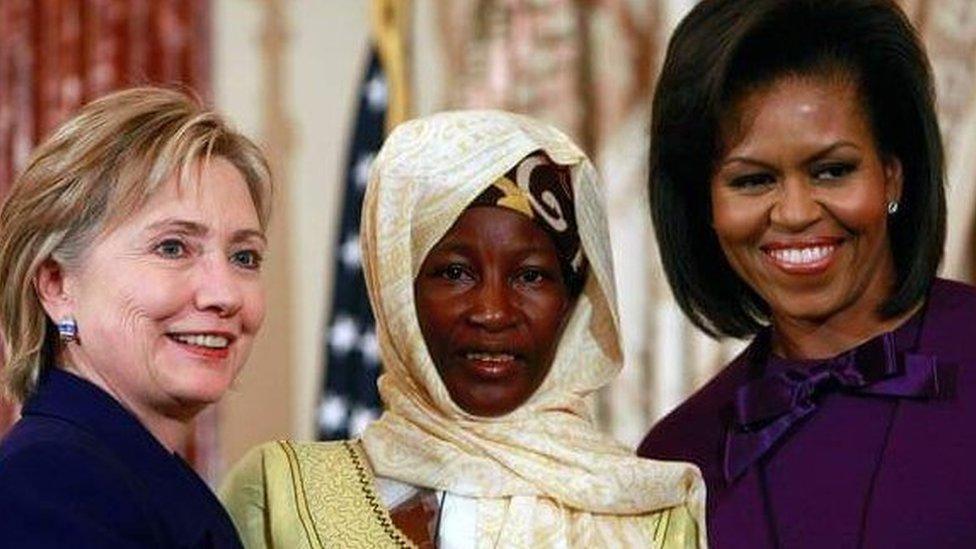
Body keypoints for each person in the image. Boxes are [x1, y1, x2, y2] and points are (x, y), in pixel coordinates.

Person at [221, 110, 705, 548]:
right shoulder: (278, 497)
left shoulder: (652, 515)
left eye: (531, 276)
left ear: (573, 301)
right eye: (454, 273)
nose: (493, 312)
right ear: (397, 293)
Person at [637, 0, 976, 546]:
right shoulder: (679, 459)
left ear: (892, 175)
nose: (795, 213)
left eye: (833, 170)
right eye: (752, 181)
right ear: (705, 204)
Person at [0, 87, 272, 548]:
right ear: (57, 285)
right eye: (172, 248)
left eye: (244, 257)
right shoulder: (50, 484)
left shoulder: (138, 476)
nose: (224, 294)